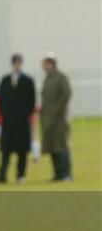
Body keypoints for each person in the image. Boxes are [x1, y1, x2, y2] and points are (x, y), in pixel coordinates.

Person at [0, 54, 35, 184]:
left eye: (19, 62)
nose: (17, 65)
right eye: (15, 62)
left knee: (22, 151)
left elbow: (31, 101)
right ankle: (2, 175)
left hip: (22, 122)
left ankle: (20, 175)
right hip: (8, 122)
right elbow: (0, 100)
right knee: (6, 150)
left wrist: (24, 116)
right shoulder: (5, 80)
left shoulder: (28, 80)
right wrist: (5, 115)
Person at [40, 53, 72, 182]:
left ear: (51, 63)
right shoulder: (47, 78)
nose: (43, 66)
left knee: (61, 147)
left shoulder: (61, 76)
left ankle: (66, 174)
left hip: (59, 119)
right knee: (52, 147)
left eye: (45, 63)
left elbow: (66, 94)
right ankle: (57, 174)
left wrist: (58, 111)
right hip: (48, 119)